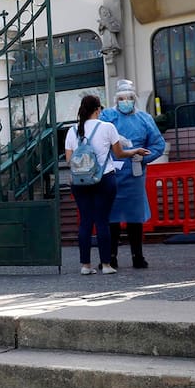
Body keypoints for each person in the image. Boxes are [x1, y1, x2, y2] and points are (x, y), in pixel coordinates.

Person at [65, 95, 150, 275]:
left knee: (85, 222)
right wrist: (135, 150)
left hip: (80, 181)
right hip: (104, 178)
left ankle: (85, 266)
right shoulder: (107, 127)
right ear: (98, 109)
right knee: (103, 221)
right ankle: (106, 264)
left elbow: (69, 160)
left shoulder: (72, 130)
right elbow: (119, 154)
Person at [99, 80, 167, 269]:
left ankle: (138, 255)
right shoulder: (107, 116)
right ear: (115, 100)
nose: (125, 101)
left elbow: (158, 144)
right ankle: (110, 256)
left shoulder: (144, 119)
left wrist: (142, 158)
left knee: (134, 217)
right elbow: (96, 138)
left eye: (129, 98)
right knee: (111, 217)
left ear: (134, 99)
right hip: (111, 172)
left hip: (135, 174)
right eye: (121, 98)